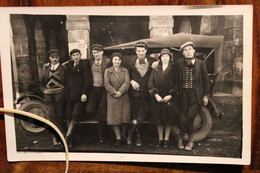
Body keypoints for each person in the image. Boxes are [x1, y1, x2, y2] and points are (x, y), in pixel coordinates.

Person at [175, 41, 210, 151]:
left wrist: (206, 95)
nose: (188, 51)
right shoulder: (179, 63)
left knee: (190, 115)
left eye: (190, 49)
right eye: (185, 50)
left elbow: (206, 80)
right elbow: (173, 77)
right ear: (183, 53)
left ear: (194, 51)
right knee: (185, 116)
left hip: (196, 94)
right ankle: (190, 140)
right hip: (183, 94)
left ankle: (180, 136)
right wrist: (157, 64)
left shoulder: (201, 63)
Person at [148, 48, 179, 148]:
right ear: (160, 58)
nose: (165, 58)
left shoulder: (174, 68)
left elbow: (177, 83)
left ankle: (166, 139)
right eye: (163, 56)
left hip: (169, 97)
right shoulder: (156, 68)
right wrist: (156, 95)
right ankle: (160, 139)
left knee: (169, 119)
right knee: (159, 119)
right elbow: (150, 82)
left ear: (170, 58)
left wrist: (170, 95)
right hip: (158, 97)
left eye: (167, 56)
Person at [126, 41, 155, 147]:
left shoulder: (152, 61)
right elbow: (126, 74)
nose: (140, 53)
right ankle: (136, 135)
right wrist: (131, 82)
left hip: (146, 95)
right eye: (138, 51)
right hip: (134, 94)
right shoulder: (130, 61)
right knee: (134, 116)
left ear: (146, 51)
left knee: (141, 116)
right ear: (136, 51)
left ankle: (133, 134)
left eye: (142, 51)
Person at [65, 49, 93, 147]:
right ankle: (70, 139)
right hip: (70, 94)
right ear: (71, 57)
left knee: (75, 115)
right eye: (74, 55)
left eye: (77, 54)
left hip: (80, 95)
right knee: (68, 115)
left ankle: (67, 137)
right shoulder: (69, 64)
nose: (76, 57)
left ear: (81, 55)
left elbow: (88, 80)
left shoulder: (84, 64)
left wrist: (84, 93)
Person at [85, 44, 111, 144]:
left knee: (102, 111)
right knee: (89, 109)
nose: (95, 54)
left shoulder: (107, 61)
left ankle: (101, 134)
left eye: (97, 52)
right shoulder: (90, 61)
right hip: (93, 89)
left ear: (102, 52)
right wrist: (48, 64)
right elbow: (75, 62)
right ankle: (102, 120)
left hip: (104, 89)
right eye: (94, 53)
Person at [41, 49, 67, 146]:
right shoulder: (46, 68)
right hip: (48, 93)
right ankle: (56, 136)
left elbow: (67, 82)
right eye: (53, 57)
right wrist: (44, 90)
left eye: (56, 57)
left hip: (60, 93)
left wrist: (65, 92)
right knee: (51, 115)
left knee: (61, 114)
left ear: (59, 58)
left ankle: (62, 136)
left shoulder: (63, 68)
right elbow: (42, 81)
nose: (55, 59)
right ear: (49, 58)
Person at [104, 52, 131, 146]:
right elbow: (106, 84)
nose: (117, 61)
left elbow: (127, 83)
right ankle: (118, 137)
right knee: (115, 118)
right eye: (115, 59)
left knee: (124, 118)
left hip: (123, 96)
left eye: (119, 59)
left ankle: (123, 134)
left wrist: (120, 92)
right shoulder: (107, 71)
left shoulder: (125, 70)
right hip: (113, 97)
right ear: (112, 60)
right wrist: (114, 92)